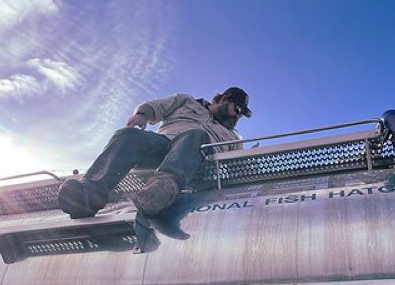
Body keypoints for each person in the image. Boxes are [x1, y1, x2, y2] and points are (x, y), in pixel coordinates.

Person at [58, 87, 252, 218]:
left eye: (242, 114)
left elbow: (239, 167)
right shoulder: (186, 102)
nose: (239, 116)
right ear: (225, 99)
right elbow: (156, 107)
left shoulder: (233, 137)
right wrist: (142, 115)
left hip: (198, 164)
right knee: (128, 135)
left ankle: (163, 189)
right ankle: (88, 195)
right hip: (163, 146)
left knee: (195, 135)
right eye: (238, 109)